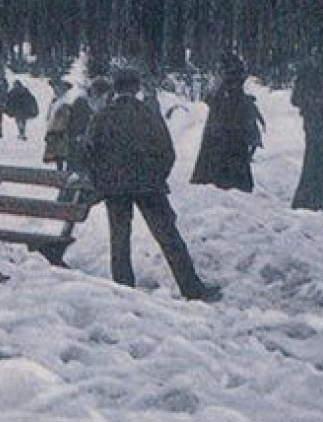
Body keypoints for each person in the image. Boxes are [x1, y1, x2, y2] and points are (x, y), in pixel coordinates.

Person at [80, 69, 220, 303]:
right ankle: (192, 288)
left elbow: (88, 153)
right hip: (149, 186)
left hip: (115, 188)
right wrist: (156, 176)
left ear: (115, 89)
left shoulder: (103, 116)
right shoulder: (149, 113)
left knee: (120, 240)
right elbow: (167, 152)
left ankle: (123, 290)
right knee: (169, 237)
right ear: (137, 88)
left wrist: (102, 180)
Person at [190, 53, 264, 193]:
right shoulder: (230, 91)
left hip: (224, 152)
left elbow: (223, 121)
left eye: (219, 70)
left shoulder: (228, 93)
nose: (216, 75)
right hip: (228, 150)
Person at [290, 49, 323, 215]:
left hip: (313, 122)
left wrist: (310, 105)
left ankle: (308, 199)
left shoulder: (308, 69)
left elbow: (295, 99)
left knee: (313, 159)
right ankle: (322, 199)